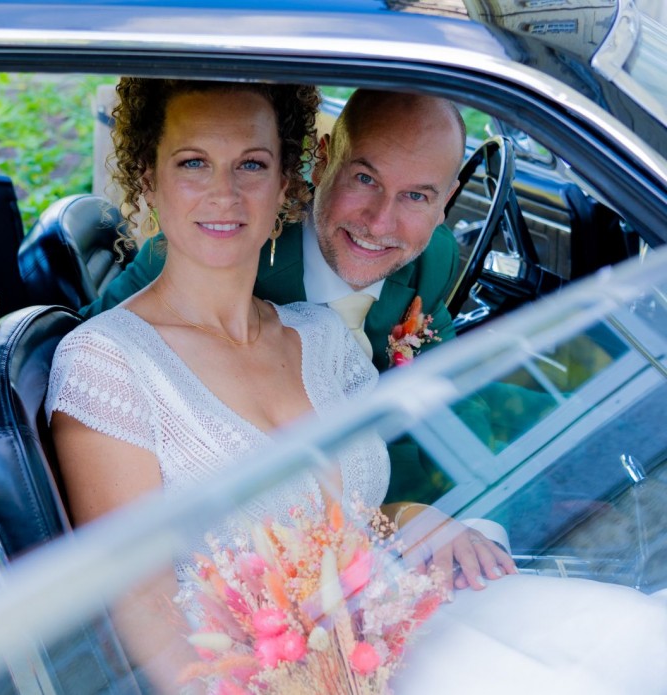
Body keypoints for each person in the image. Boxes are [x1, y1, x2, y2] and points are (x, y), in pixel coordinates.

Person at [47, 78, 667, 693]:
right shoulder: (107, 360)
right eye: (193, 163)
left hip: (409, 613)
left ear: (287, 182)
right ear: (148, 178)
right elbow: (142, 605)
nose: (224, 193)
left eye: (252, 165)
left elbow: (351, 517)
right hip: (286, 677)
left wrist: (414, 517)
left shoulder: (320, 336)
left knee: (639, 636)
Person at [84, 89, 467, 504]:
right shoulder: (213, 243)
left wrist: (441, 510)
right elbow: (98, 351)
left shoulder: (431, 258)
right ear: (322, 162)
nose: (379, 223)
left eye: (416, 196)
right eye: (364, 179)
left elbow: (449, 402)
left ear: (445, 203)